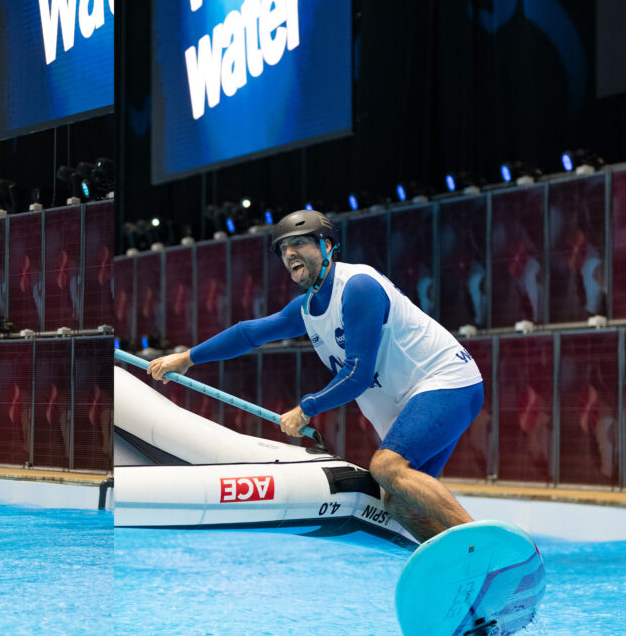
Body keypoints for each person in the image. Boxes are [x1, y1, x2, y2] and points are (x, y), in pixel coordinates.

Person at [148, 209, 484, 543]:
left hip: (448, 383)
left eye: (298, 243)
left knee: (386, 466)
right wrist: (187, 358)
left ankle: (484, 542)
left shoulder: (358, 287)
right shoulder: (307, 308)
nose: (289, 253)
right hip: (415, 397)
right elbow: (249, 333)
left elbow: (358, 373)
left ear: (327, 246)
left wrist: (306, 408)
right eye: (283, 249)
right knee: (397, 503)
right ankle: (466, 560)